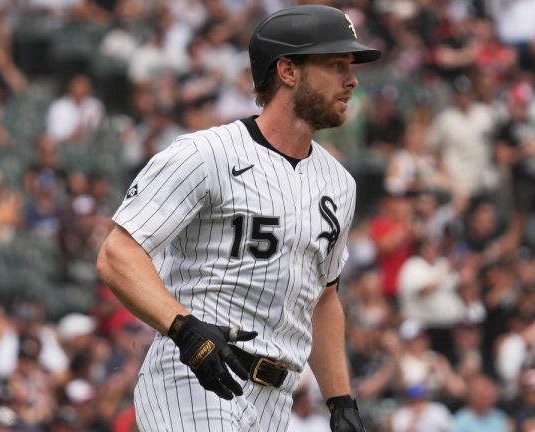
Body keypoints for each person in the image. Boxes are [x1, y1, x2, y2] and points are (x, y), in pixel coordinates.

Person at [97, 5, 380, 432]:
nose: (351, 79)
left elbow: (323, 298)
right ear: (288, 71)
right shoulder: (206, 153)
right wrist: (184, 329)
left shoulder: (339, 183)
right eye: (335, 64)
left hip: (276, 397)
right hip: (194, 376)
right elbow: (118, 253)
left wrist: (341, 401)